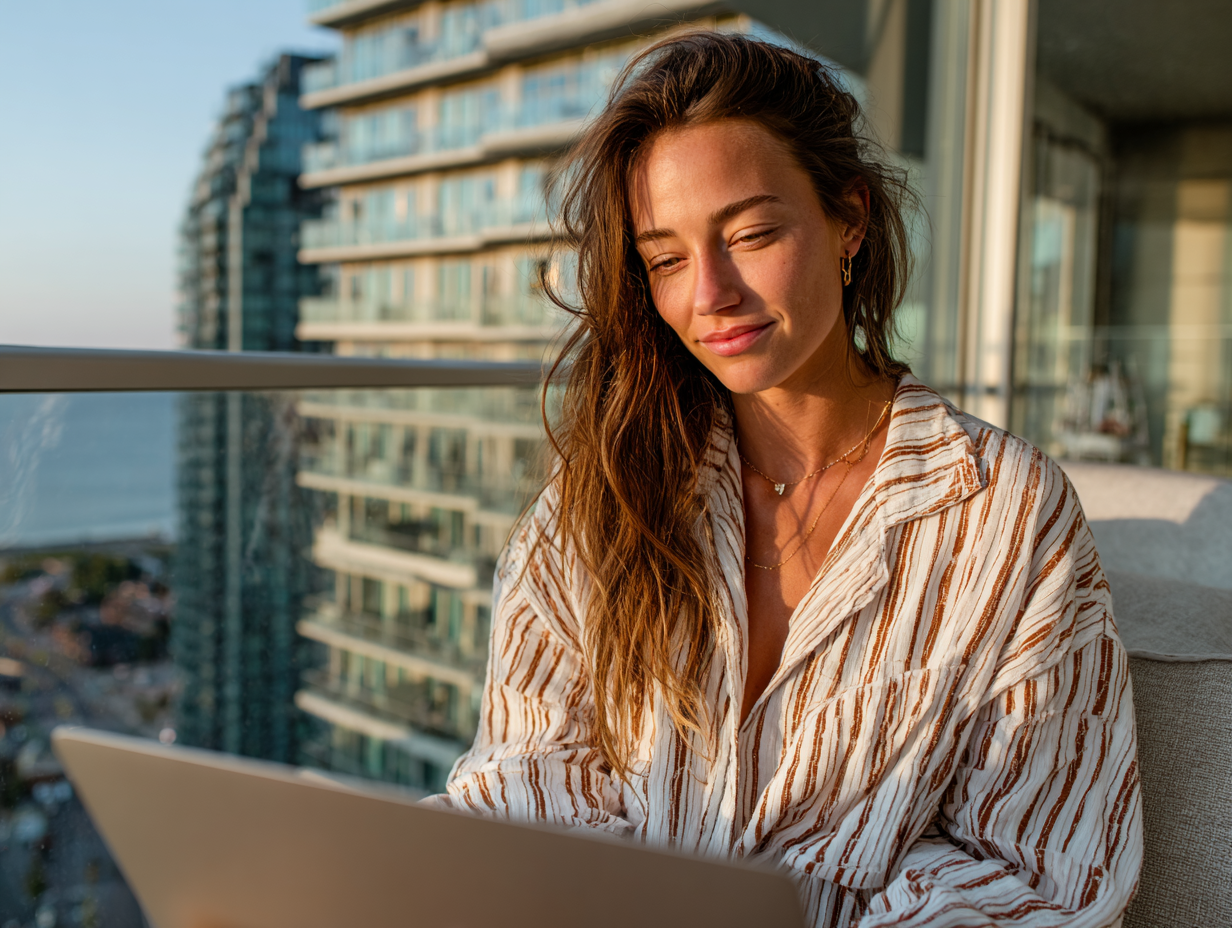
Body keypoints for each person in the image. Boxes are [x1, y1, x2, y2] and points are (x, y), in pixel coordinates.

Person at [425, 32, 1142, 928]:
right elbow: (523, 791)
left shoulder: (1002, 513)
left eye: (753, 234)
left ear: (851, 219)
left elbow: (1043, 871)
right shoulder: (603, 498)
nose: (710, 294)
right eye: (667, 259)